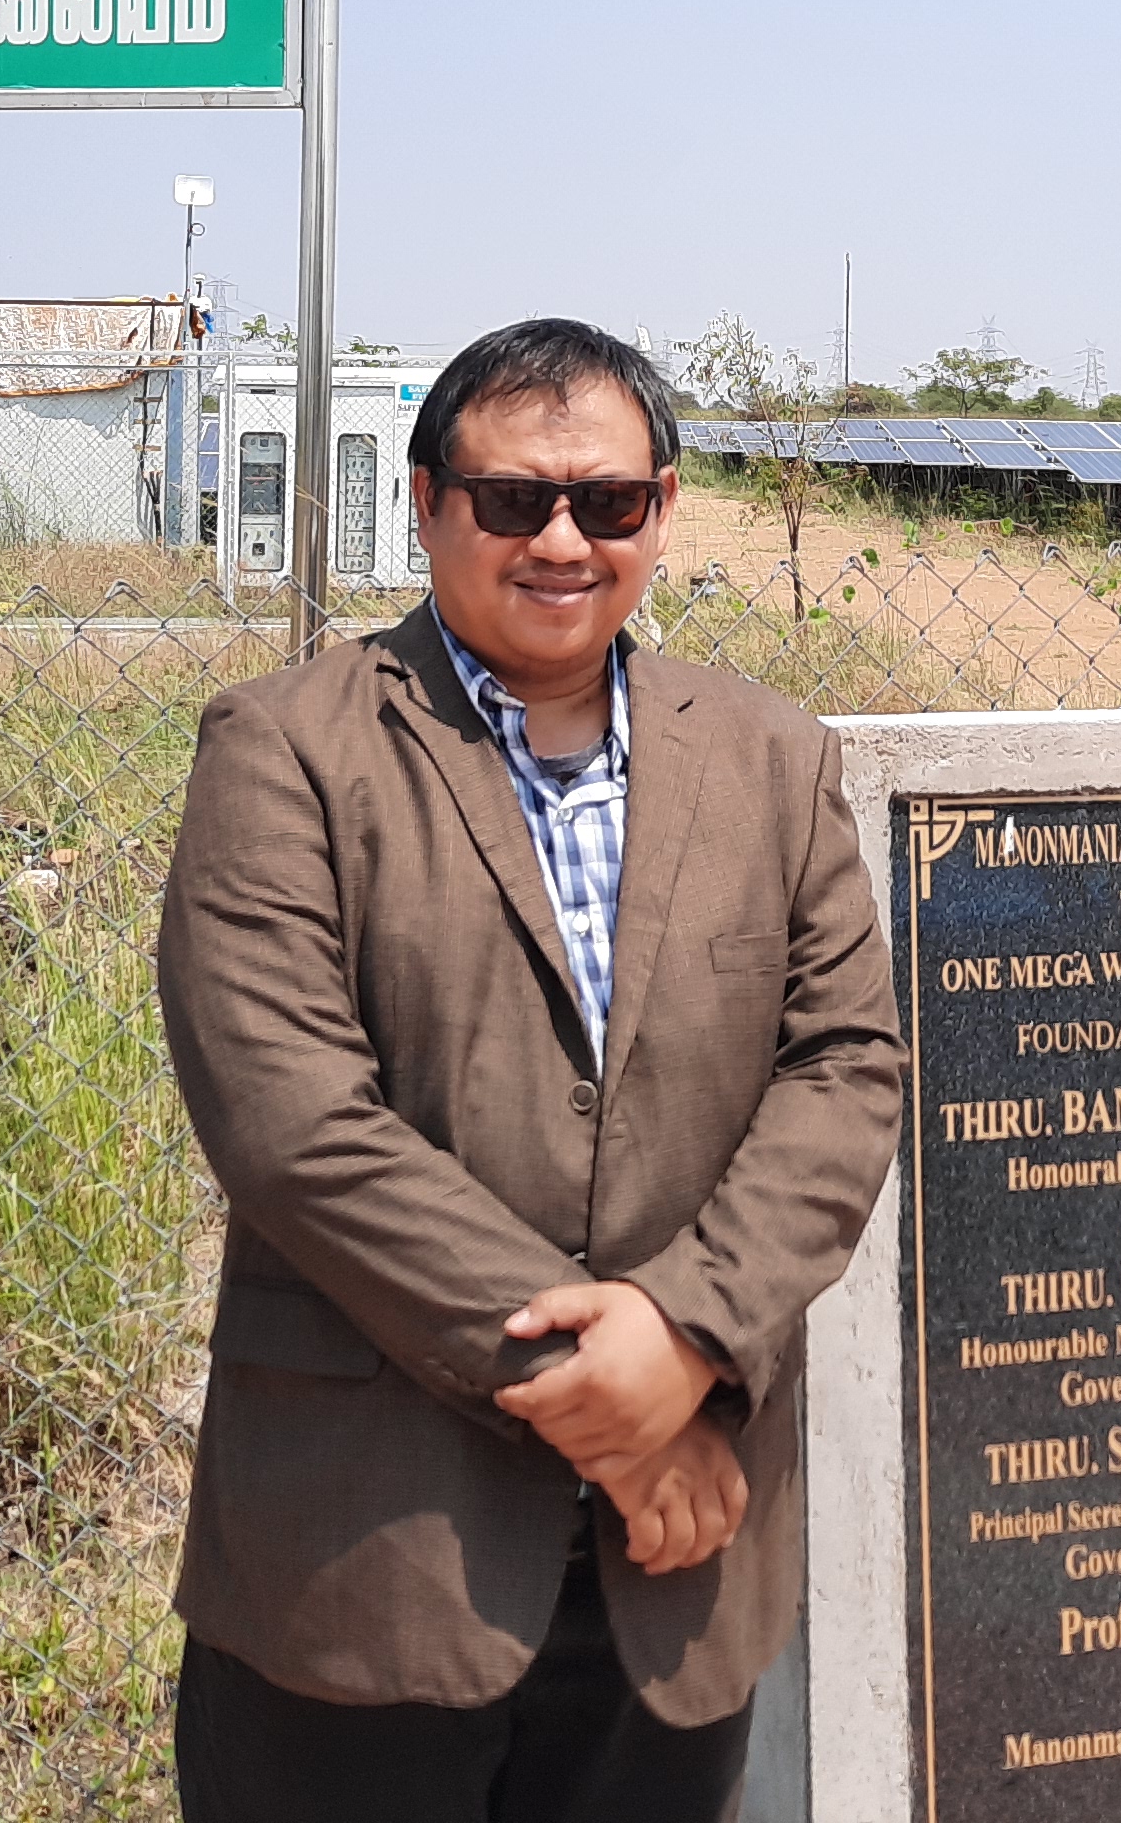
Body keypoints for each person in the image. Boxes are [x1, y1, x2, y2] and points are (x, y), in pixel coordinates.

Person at [156, 316, 905, 1823]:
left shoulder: (772, 759)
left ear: (663, 510)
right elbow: (295, 1125)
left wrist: (684, 1336)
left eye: (607, 501)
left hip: (678, 1579)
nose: (563, 541)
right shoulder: (287, 752)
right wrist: (610, 1399)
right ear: (428, 503)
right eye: (513, 500)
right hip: (370, 1559)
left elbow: (844, 1069)